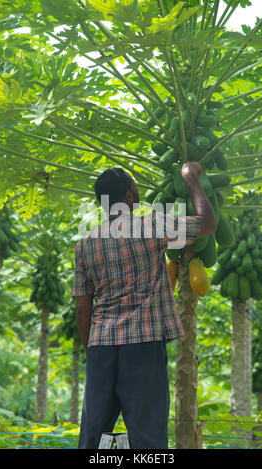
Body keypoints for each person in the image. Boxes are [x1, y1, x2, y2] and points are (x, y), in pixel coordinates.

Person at [71, 161, 217, 449]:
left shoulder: (85, 244)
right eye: (135, 190)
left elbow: (82, 309)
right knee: (147, 439)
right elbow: (208, 223)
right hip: (143, 345)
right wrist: (190, 179)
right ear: (128, 196)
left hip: (100, 346)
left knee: (92, 436)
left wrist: (93, 352)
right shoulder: (151, 225)